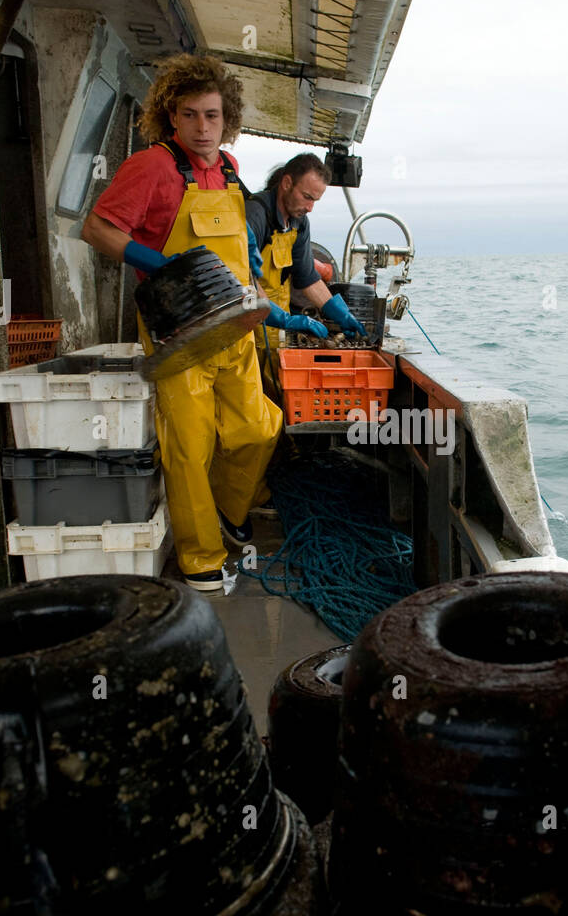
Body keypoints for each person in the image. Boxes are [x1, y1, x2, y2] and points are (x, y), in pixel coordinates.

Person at [81, 53, 287, 594]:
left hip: (234, 322)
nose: (202, 127)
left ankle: (227, 507)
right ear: (171, 116)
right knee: (189, 446)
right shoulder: (151, 165)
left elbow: (237, 237)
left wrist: (254, 271)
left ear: (228, 119)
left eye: (213, 116)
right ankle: (200, 558)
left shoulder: (228, 170)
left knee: (259, 425)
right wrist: (155, 262)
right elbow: (96, 228)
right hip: (178, 331)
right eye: (191, 115)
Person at [246, 155, 366, 397]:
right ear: (287, 183)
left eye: (316, 201)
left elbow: (308, 278)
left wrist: (339, 313)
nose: (310, 207)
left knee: (279, 399)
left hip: (274, 329)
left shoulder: (299, 223)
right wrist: (284, 319)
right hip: (247, 324)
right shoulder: (256, 214)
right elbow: (245, 279)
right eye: (307, 197)